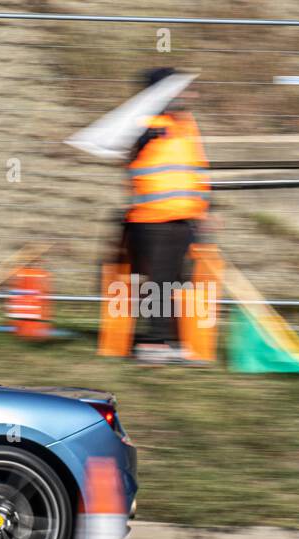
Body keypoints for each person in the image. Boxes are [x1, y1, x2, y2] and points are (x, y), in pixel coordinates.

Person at [124, 67, 211, 364]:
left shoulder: (185, 124)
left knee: (173, 282)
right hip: (154, 218)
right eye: (184, 89)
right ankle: (152, 343)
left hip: (182, 217)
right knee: (159, 283)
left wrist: (206, 210)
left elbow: (196, 170)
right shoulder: (146, 123)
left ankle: (166, 340)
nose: (192, 94)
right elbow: (131, 144)